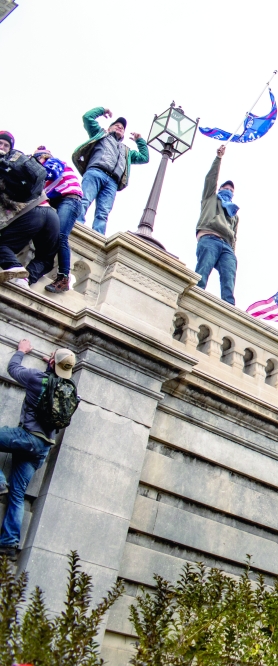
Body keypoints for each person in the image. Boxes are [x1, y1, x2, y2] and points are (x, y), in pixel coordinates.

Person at [0, 339, 76, 558]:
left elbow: (13, 369)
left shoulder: (37, 379)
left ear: (52, 363)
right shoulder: (71, 391)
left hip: (26, 437)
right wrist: (53, 366)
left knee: (11, 488)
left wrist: (21, 351)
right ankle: (9, 544)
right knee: (17, 493)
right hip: (43, 448)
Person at [72, 107, 149, 234]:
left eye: (122, 128)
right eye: (116, 125)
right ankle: (75, 225)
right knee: (84, 200)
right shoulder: (101, 135)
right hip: (96, 172)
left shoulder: (126, 151)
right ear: (109, 128)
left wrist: (140, 140)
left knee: (103, 213)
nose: (120, 127)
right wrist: (102, 110)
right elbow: (87, 117)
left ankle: (97, 235)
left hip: (112, 182)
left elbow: (144, 158)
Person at [0, 133, 59, 288]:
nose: (3, 147)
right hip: (52, 216)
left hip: (34, 213)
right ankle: (24, 281)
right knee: (46, 259)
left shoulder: (8, 167)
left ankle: (14, 267)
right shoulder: (23, 162)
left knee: (2, 245)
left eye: (6, 145)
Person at [33, 146, 83, 293]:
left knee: (61, 236)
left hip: (70, 199)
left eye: (37, 159)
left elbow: (51, 172)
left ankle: (63, 278)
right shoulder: (45, 183)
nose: (36, 163)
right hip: (60, 202)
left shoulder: (53, 162)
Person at [195, 145, 239, 305]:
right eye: (225, 188)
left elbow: (234, 236)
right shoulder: (210, 198)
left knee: (229, 280)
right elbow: (210, 179)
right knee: (202, 273)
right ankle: (195, 299)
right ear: (220, 188)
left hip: (226, 245)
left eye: (231, 190)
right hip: (210, 238)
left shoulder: (234, 213)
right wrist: (218, 158)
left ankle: (229, 309)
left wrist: (233, 253)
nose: (228, 190)